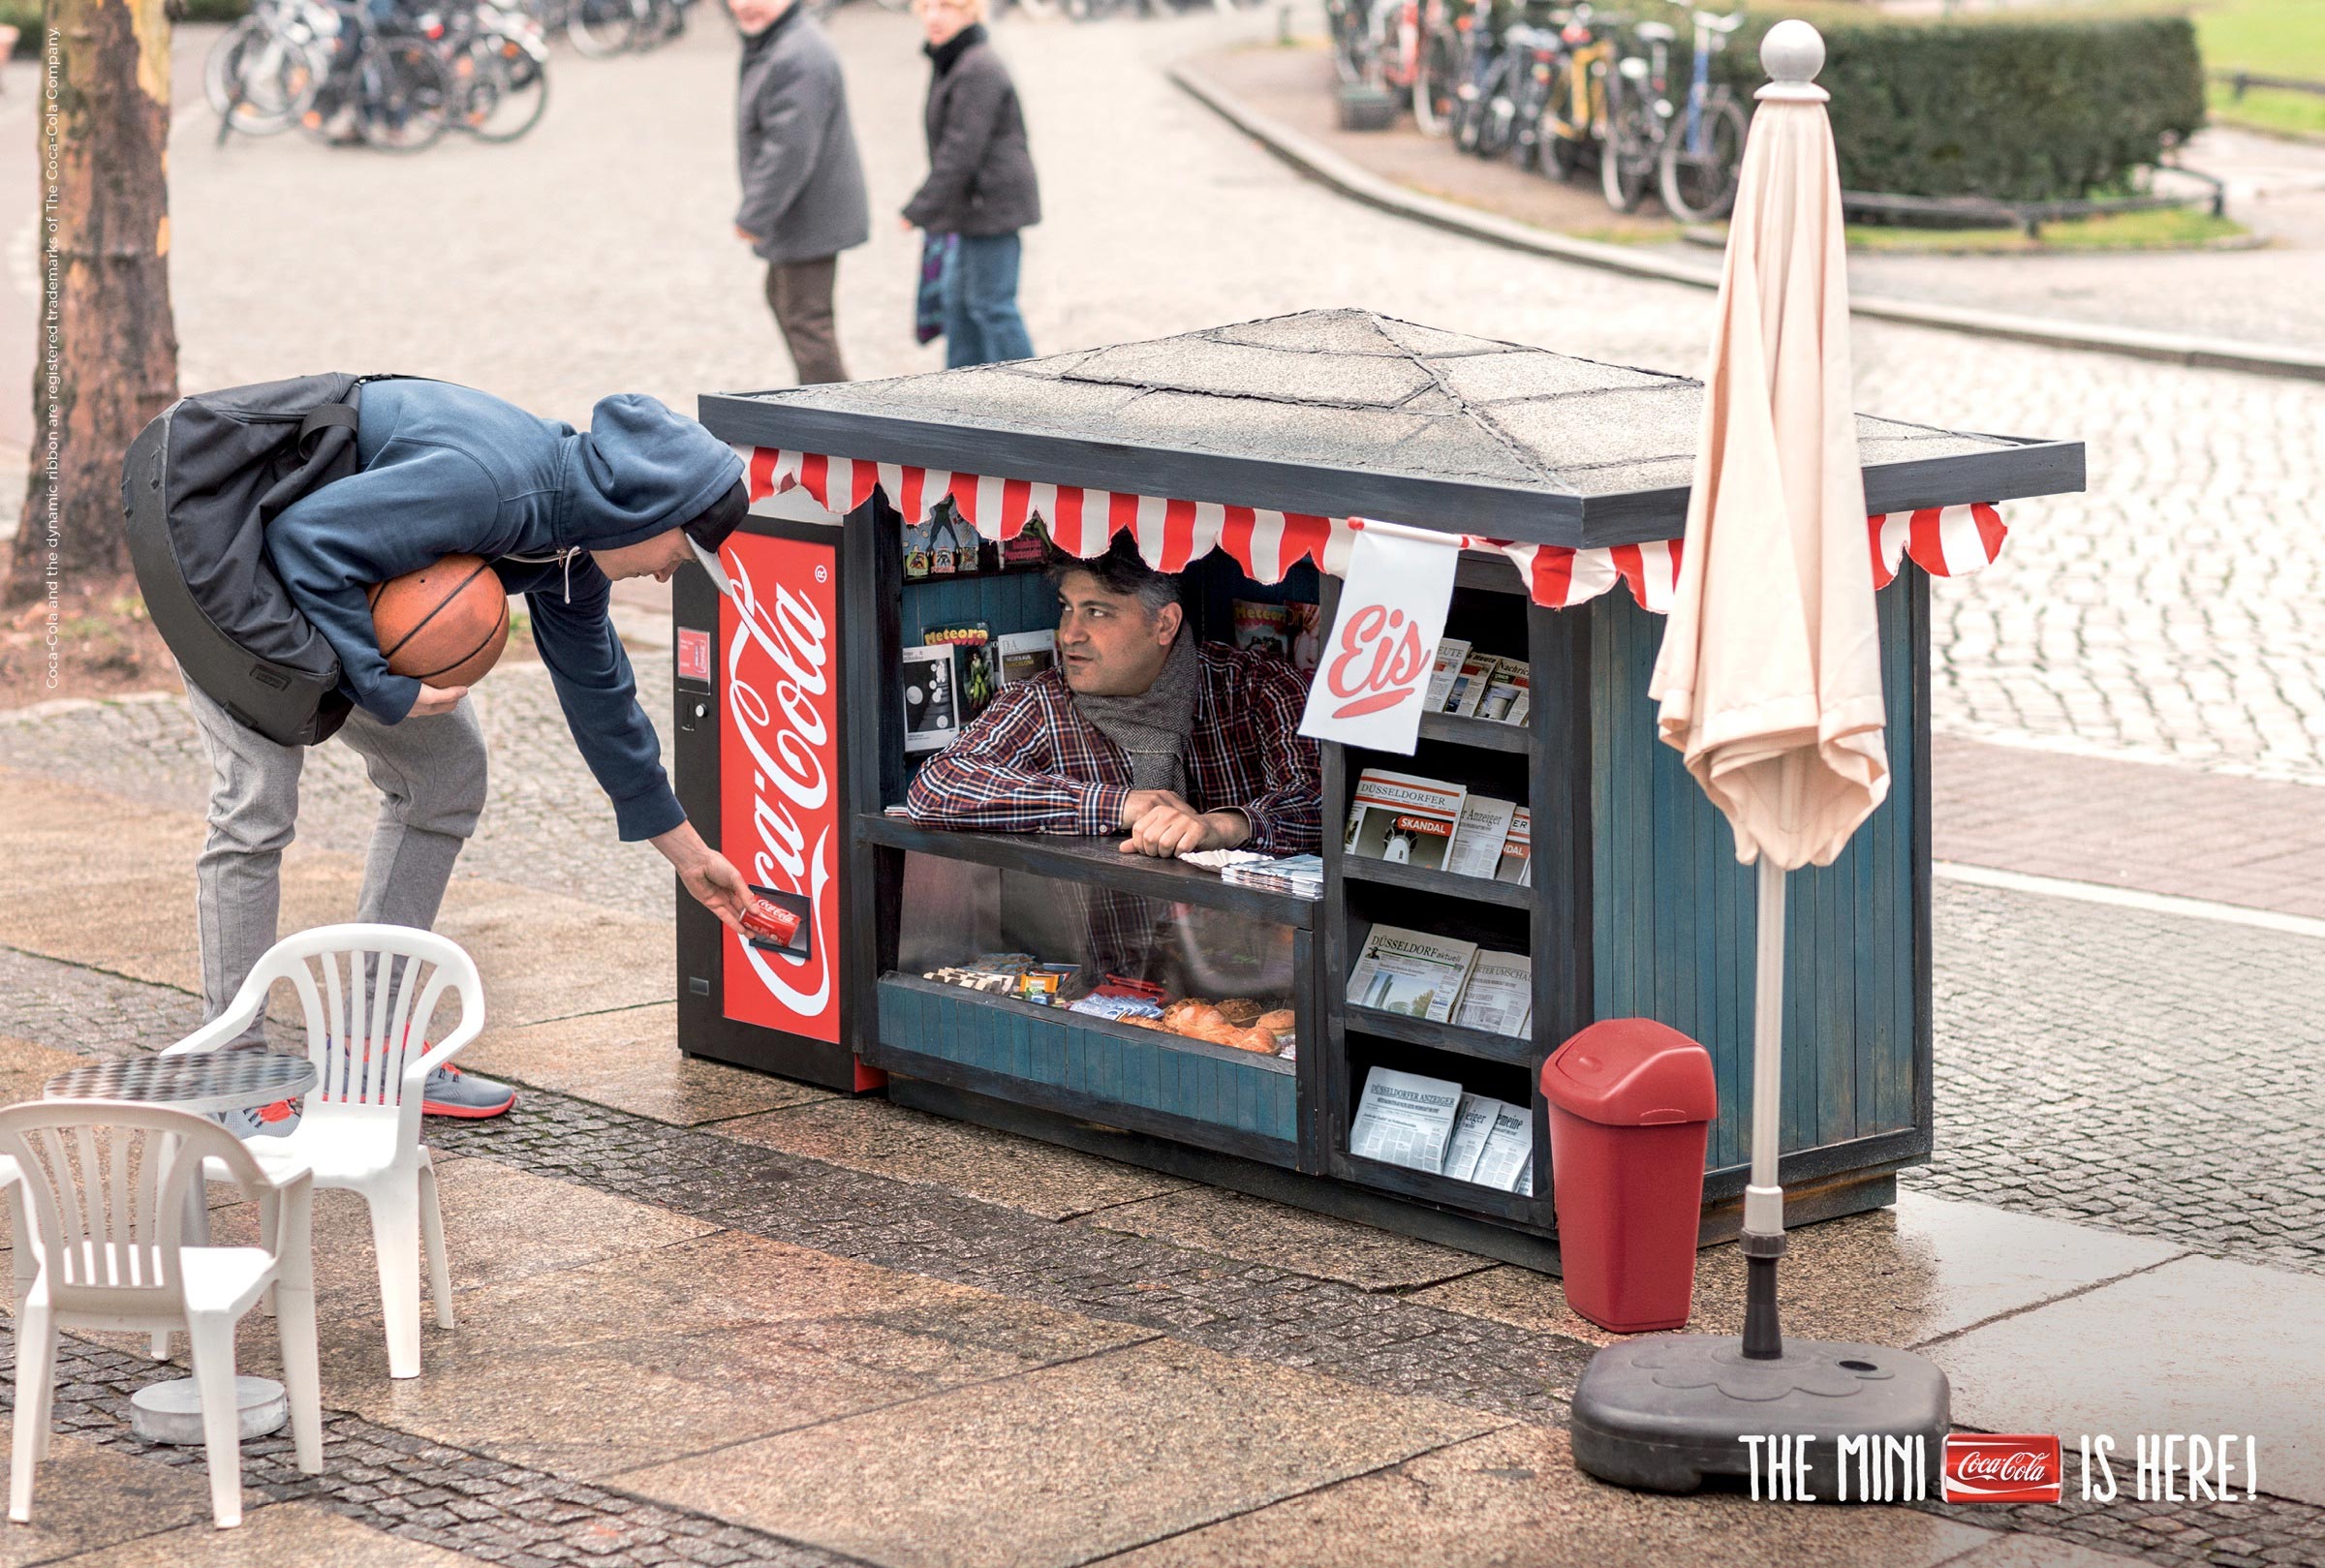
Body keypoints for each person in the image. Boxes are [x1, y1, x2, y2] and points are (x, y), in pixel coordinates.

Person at [199, 378, 757, 1131]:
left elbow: (603, 702)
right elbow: (308, 540)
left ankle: (374, 1049)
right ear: (647, 510)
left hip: (319, 565)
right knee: (256, 800)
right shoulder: (494, 486)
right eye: (680, 552)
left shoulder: (570, 548)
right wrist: (383, 687)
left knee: (445, 773)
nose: (669, 571)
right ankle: (231, 1073)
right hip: (219, 535)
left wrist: (690, 855)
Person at [906, 540, 1321, 858]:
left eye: (1096, 613)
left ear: (1165, 624)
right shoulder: (1042, 703)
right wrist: (1120, 804)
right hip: (1101, 961)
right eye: (1066, 608)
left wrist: (1225, 827)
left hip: (1247, 958)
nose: (1070, 634)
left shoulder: (1253, 685)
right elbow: (937, 787)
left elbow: (1320, 802)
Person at [730, 0, 870, 384]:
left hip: (809, 214)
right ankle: (823, 408)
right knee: (787, 304)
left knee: (807, 325)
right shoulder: (777, 41)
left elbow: (789, 147)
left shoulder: (799, 54)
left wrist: (755, 214)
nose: (743, 6)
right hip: (801, 211)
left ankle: (838, 424)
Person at [901, 0, 1039, 368]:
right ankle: (962, 389)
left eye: (945, 7)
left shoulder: (978, 66)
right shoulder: (952, 59)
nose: (933, 16)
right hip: (970, 207)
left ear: (969, 12)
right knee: (958, 304)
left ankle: (1039, 399)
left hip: (991, 206)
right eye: (926, 7)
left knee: (992, 306)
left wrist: (921, 207)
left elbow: (961, 150)